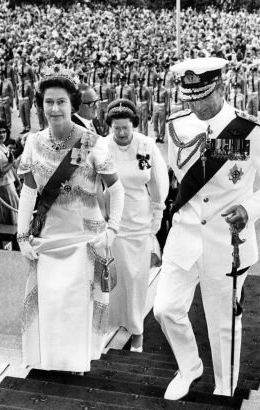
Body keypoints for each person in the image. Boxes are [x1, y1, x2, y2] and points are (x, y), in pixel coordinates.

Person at [153, 57, 260, 400]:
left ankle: (224, 389)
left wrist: (249, 208)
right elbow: (178, 179)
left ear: (221, 88)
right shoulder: (177, 126)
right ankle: (189, 367)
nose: (196, 105)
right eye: (190, 98)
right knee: (165, 309)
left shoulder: (250, 130)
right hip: (184, 236)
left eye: (203, 97)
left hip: (228, 242)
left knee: (223, 321)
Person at [16, 65, 125, 373]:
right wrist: (23, 237)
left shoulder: (94, 142)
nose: (54, 108)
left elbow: (116, 190)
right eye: (48, 102)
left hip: (85, 239)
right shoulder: (33, 143)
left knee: (78, 305)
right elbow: (28, 192)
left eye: (61, 101)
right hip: (47, 238)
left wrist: (112, 230)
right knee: (49, 303)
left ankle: (77, 362)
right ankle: (49, 361)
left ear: (73, 104)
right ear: (41, 105)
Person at [106, 99, 169, 351]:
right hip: (114, 219)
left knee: (137, 276)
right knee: (117, 275)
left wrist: (157, 216)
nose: (121, 133)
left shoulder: (146, 145)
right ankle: (117, 322)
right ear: (110, 127)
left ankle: (137, 330)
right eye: (116, 128)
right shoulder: (102, 146)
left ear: (134, 125)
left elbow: (157, 184)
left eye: (126, 128)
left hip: (141, 218)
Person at [0, 119, 20, 225]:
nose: (2, 135)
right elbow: (2, 171)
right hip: (3, 184)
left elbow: (13, 165)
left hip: (9, 182)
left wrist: (18, 182)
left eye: (4, 132)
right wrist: (11, 162)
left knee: (15, 208)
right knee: (12, 209)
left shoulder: (3, 146)